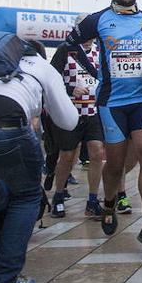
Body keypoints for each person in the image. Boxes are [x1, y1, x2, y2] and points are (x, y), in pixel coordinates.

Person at [0, 38, 78, 283]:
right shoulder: (41, 66)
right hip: (10, 127)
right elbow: (69, 121)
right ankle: (6, 279)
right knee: (26, 197)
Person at [66, 0, 142, 247]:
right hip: (112, 103)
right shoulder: (98, 20)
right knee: (116, 163)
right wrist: (75, 79)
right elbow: (70, 44)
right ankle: (108, 202)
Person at [47, 38, 107, 219]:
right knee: (67, 155)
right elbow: (51, 79)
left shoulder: (100, 50)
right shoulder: (65, 50)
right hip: (70, 111)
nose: (89, 38)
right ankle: (58, 195)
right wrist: (70, 88)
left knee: (96, 153)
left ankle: (93, 200)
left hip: (94, 111)